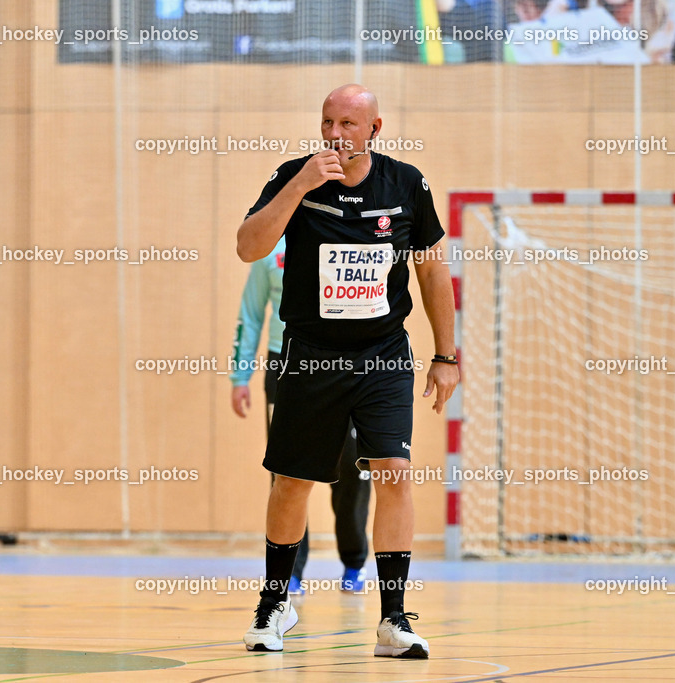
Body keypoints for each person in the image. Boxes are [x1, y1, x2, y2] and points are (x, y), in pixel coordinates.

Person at [237, 84, 458, 659]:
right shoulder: (295, 176)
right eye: (328, 123)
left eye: (348, 124)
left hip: (383, 355)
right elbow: (248, 246)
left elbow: (433, 273)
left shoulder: (407, 184)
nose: (335, 135)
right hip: (311, 355)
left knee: (394, 472)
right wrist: (301, 185)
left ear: (374, 129)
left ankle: (392, 618)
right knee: (292, 481)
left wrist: (446, 356)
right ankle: (273, 603)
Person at [229, 235, 370, 599]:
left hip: (345, 363)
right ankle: (291, 569)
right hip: (286, 366)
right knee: (288, 472)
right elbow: (250, 312)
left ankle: (354, 562)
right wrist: (240, 376)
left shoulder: (343, 240)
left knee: (354, 468)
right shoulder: (270, 253)